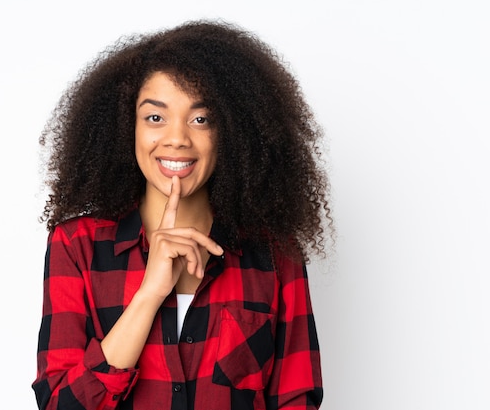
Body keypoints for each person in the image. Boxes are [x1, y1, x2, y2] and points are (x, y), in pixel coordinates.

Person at [32, 20, 332, 410]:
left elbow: (297, 399)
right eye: (155, 117)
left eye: (201, 119)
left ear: (234, 131)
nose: (177, 138)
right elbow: (59, 404)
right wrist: (149, 295)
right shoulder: (76, 246)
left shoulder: (277, 253)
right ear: (128, 128)